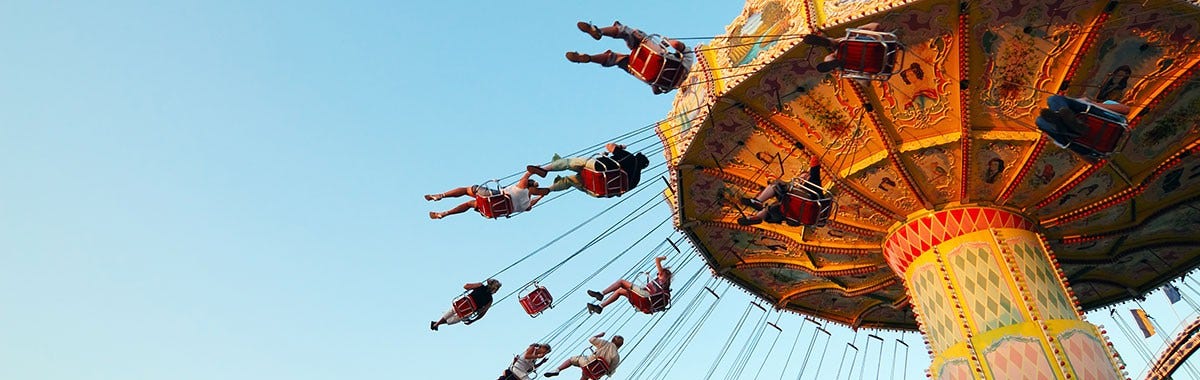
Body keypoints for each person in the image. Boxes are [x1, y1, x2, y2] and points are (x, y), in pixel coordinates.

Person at [565, 21, 694, 94]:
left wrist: (668, 41)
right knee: (618, 59)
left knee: (629, 33)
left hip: (655, 59)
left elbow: (676, 44)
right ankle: (590, 58)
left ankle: (599, 33)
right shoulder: (678, 80)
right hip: (651, 75)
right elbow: (656, 91)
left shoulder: (688, 61)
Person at [525, 143, 650, 194]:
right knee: (569, 181)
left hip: (598, 169)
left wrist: (620, 147)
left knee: (570, 163)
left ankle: (546, 169)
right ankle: (548, 189)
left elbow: (609, 146)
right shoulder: (636, 180)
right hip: (598, 189)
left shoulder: (630, 158)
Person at [737, 155, 824, 226]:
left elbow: (815, 167)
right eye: (800, 179)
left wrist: (812, 156)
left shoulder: (813, 182)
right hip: (798, 213)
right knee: (772, 208)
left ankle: (758, 201)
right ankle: (757, 218)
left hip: (808, 201)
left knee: (777, 184)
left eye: (804, 177)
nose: (801, 180)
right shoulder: (794, 196)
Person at [425, 171, 550, 219]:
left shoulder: (521, 188)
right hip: (493, 210)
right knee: (470, 204)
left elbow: (528, 173)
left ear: (528, 185)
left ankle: (441, 195)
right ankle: (444, 213)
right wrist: (541, 196)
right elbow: (531, 204)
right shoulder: (526, 205)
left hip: (494, 198)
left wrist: (537, 170)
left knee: (468, 190)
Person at [1034, 94, 1131, 148]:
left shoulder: (1106, 103)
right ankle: (1067, 122)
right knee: (1051, 102)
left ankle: (1065, 123)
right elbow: (1126, 109)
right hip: (1087, 130)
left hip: (1082, 130)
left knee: (1041, 119)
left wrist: (1093, 104)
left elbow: (1126, 109)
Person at [586, 256, 671, 314]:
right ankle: (599, 307)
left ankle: (601, 294)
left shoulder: (663, 278)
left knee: (621, 282)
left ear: (664, 274)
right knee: (620, 291)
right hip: (645, 303)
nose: (658, 274)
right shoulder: (663, 285)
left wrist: (663, 258)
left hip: (645, 296)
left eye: (659, 273)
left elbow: (657, 260)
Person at [801, 22, 884, 73]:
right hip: (874, 48)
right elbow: (876, 25)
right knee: (841, 43)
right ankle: (829, 42)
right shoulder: (876, 42)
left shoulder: (873, 68)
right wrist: (860, 28)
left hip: (861, 61)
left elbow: (866, 83)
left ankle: (831, 49)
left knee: (836, 51)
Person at [543, 332, 623, 379]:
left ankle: (558, 370)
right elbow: (611, 370)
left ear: (612, 340)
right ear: (619, 346)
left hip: (588, 363)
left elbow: (591, 340)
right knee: (585, 376)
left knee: (572, 359)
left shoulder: (605, 343)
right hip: (596, 373)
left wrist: (599, 335)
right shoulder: (617, 356)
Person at [430, 279, 501, 331]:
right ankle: (436, 324)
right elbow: (482, 313)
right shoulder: (490, 300)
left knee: (452, 311)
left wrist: (478, 284)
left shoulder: (480, 286)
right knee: (455, 319)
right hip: (468, 311)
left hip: (462, 303)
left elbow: (466, 286)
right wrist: (473, 320)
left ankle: (436, 324)